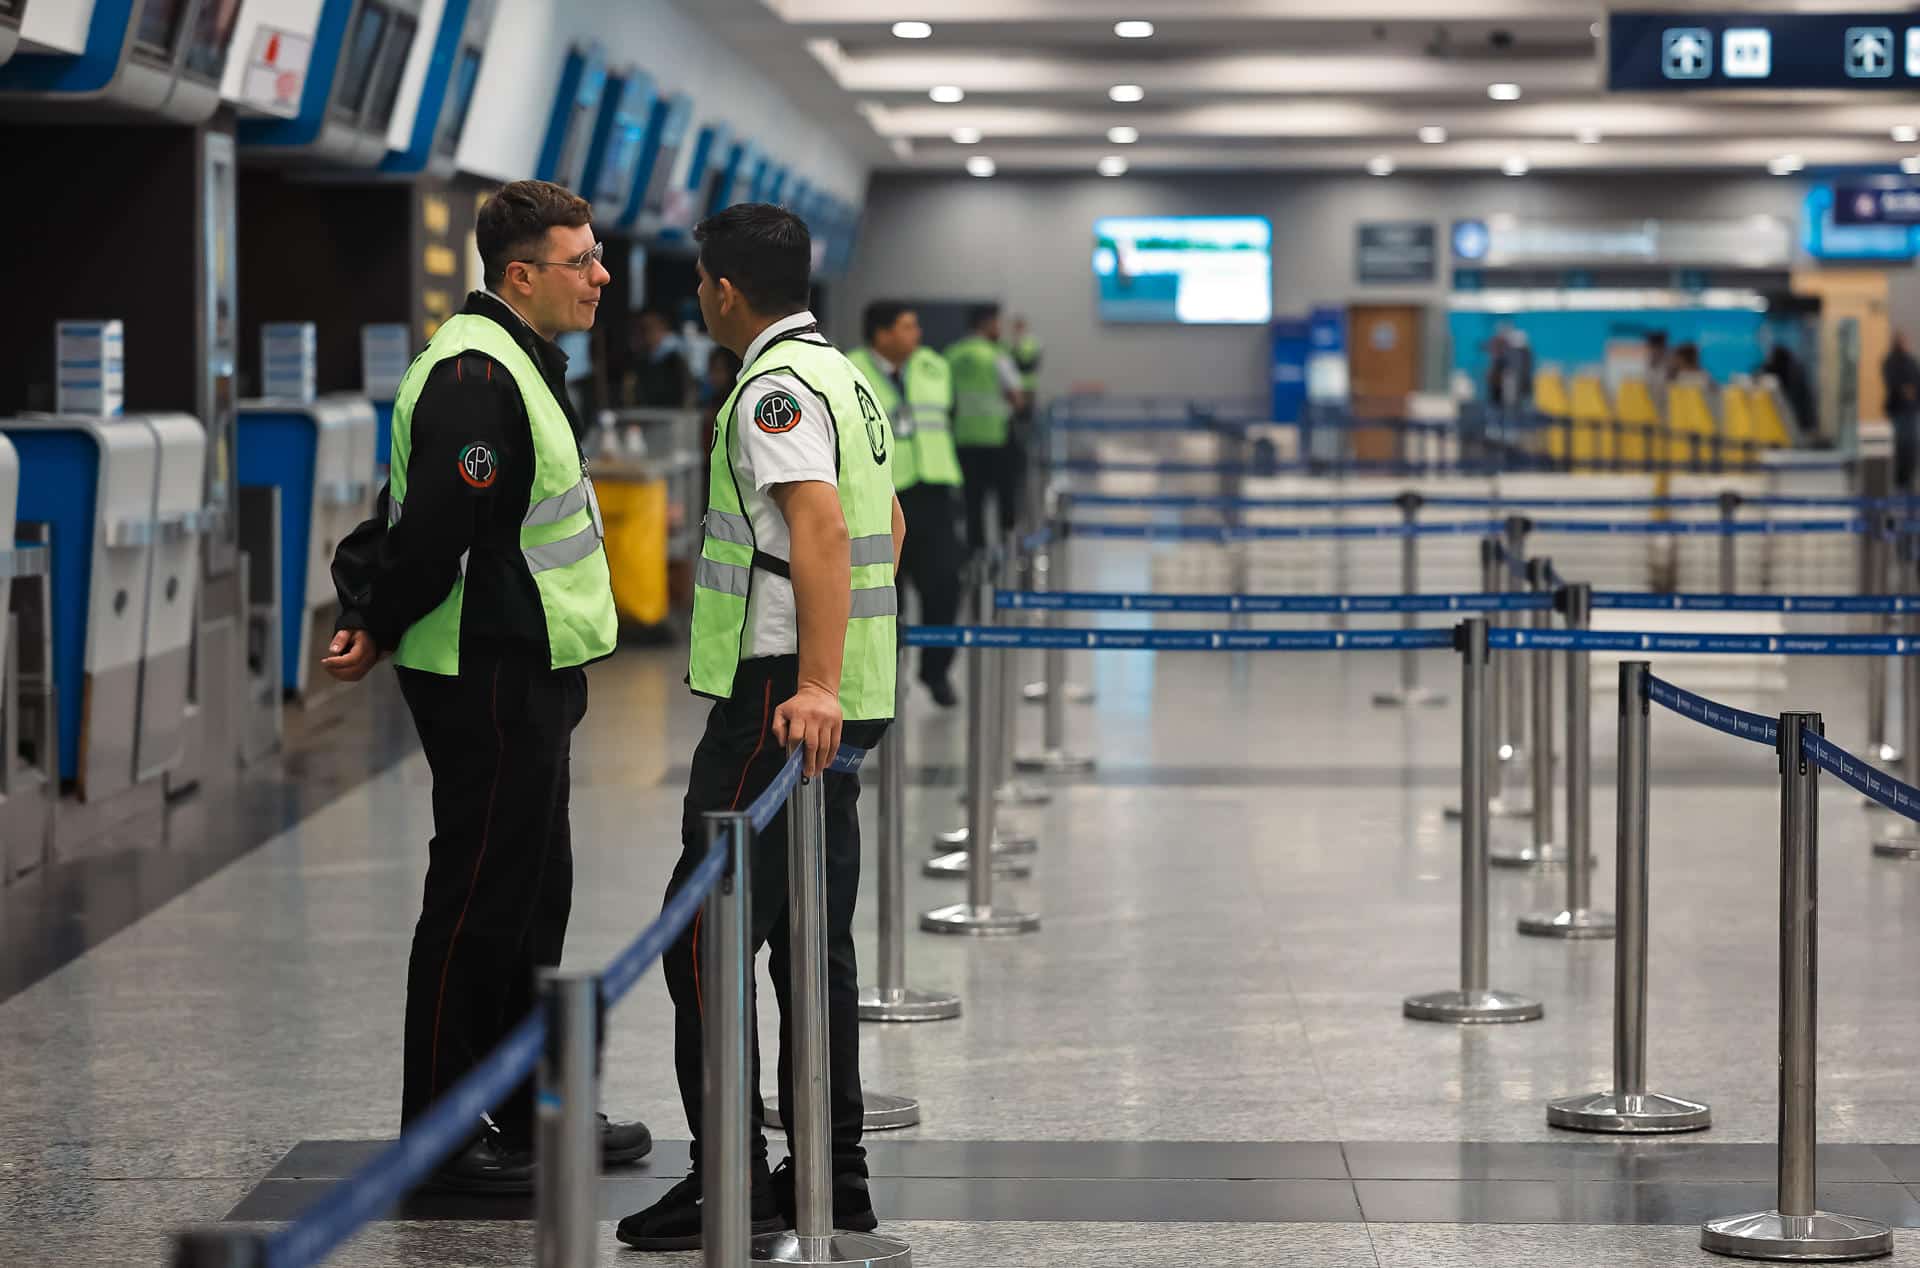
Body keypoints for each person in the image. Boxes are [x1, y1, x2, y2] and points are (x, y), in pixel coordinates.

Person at [320, 180, 652, 1192]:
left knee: (530, 896)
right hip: (487, 667)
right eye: (582, 260)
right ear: (521, 274)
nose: (602, 276)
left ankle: (531, 1099)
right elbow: (433, 532)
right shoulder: (476, 374)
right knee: (476, 900)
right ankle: (442, 1135)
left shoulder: (523, 360)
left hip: (533, 660)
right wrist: (375, 619)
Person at [616, 203, 904, 1251]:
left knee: (705, 934)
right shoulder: (848, 376)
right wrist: (846, 676)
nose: (698, 299)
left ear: (725, 290)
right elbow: (890, 522)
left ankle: (730, 1174)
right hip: (844, 690)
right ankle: (835, 1168)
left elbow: (823, 527)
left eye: (699, 284)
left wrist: (814, 679)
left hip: (782, 699)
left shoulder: (774, 388)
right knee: (809, 937)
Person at [849, 302, 965, 706]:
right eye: (907, 326)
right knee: (882, 592)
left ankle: (936, 671)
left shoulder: (935, 366)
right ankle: (885, 681)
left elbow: (947, 416)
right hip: (879, 497)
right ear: (881, 334)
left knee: (945, 585)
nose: (917, 333)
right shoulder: (850, 369)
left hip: (933, 491)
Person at [947, 303, 1027, 553]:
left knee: (973, 499)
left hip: (963, 438)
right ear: (986, 323)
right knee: (1005, 495)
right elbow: (1017, 396)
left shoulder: (952, 355)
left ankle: (976, 550)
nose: (999, 328)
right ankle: (1008, 545)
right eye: (996, 323)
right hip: (996, 438)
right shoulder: (997, 355)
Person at [623, 309, 693, 408]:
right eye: (642, 330)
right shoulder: (640, 362)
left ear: (663, 328)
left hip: (674, 415)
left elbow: (688, 393)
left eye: (649, 329)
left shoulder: (676, 358)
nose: (645, 335)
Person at [1886, 332, 1920, 489]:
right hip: (1898, 410)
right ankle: (1900, 478)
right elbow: (1891, 381)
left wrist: (1913, 391)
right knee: (1899, 443)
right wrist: (1903, 389)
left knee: (1912, 444)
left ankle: (1909, 477)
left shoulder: (1911, 361)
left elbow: (1917, 380)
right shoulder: (1890, 361)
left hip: (1912, 410)